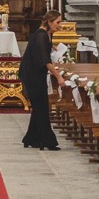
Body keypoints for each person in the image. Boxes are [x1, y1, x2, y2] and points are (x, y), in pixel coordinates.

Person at [18, 11, 60, 150]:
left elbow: (45, 54)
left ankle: (30, 138)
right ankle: (48, 141)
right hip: (32, 76)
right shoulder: (41, 36)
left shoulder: (46, 35)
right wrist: (59, 77)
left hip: (37, 74)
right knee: (41, 108)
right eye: (57, 22)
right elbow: (45, 61)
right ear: (49, 22)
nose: (60, 26)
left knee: (39, 107)